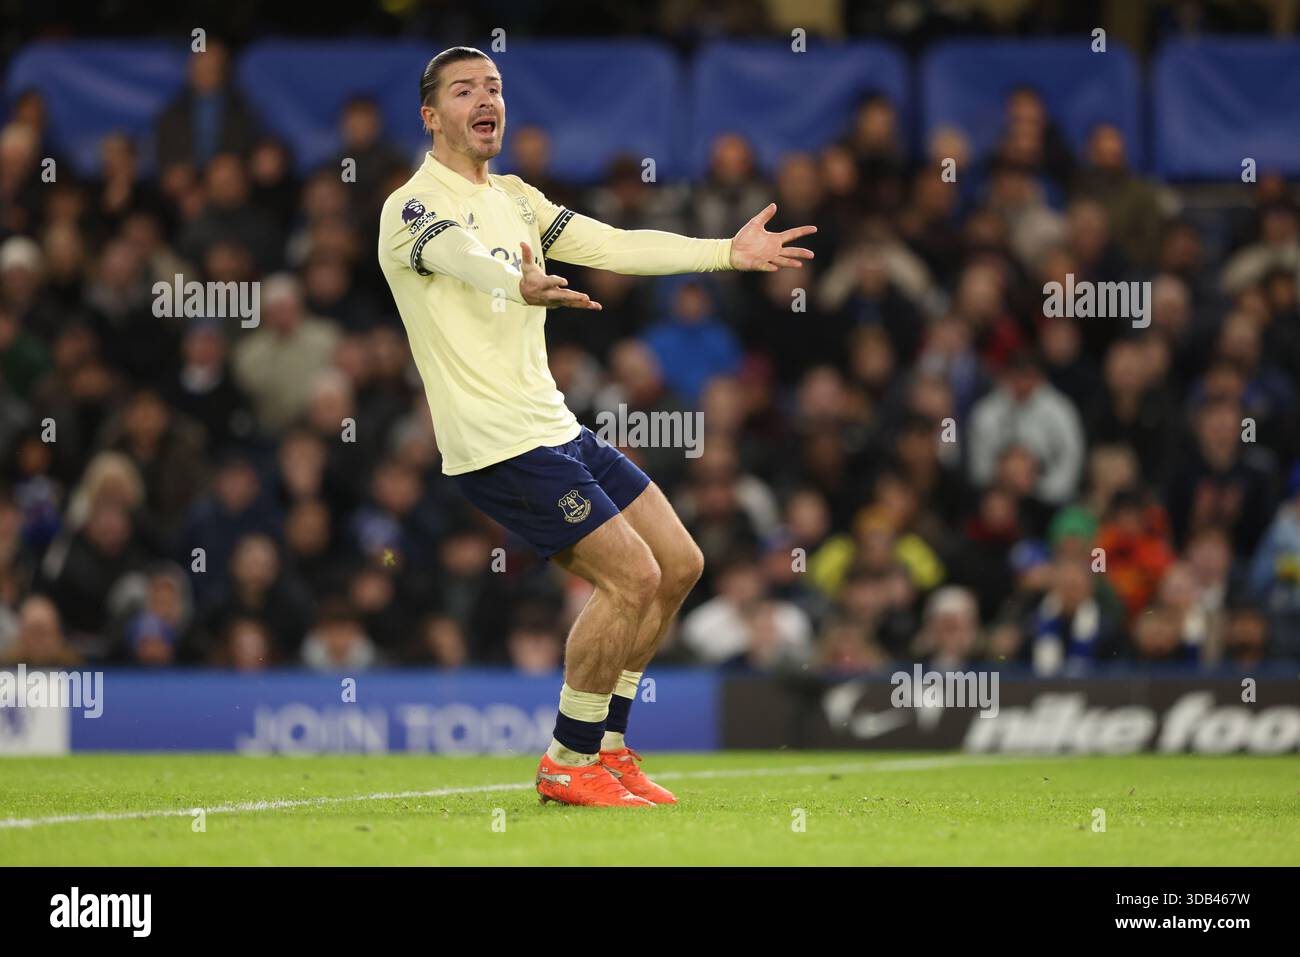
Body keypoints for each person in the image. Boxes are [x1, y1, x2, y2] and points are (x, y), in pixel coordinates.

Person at [378, 46, 815, 807]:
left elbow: (614, 244)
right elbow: (457, 256)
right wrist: (515, 277)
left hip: (555, 425)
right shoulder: (413, 205)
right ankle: (566, 758)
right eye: (463, 90)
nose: (486, 99)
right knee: (631, 576)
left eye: (495, 86)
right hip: (495, 440)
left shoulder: (516, 197)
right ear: (430, 115)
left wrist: (725, 253)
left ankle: (608, 747)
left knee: (678, 563)